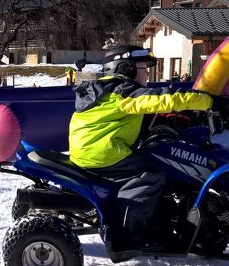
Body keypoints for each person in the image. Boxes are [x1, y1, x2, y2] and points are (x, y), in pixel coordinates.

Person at [68, 45, 212, 251]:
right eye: (144, 68)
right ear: (127, 69)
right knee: (151, 175)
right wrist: (209, 101)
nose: (147, 74)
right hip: (102, 153)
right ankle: (127, 235)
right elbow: (164, 99)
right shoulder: (124, 92)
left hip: (90, 149)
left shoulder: (104, 89)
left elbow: (135, 118)